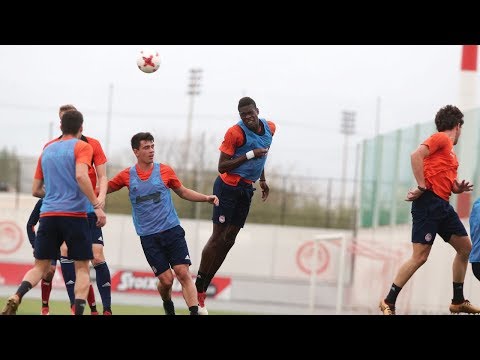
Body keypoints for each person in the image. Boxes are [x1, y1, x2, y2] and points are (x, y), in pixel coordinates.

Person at [1, 110, 107, 315]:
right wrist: (96, 205)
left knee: (40, 267)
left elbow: (35, 190)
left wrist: (54, 195)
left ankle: (17, 295)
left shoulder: (47, 150)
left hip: (48, 215)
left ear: (60, 127)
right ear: (81, 128)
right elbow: (81, 176)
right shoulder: (82, 146)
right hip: (74, 216)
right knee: (82, 268)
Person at [379, 104, 480, 315]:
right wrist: (422, 186)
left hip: (443, 205)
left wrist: (457, 188)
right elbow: (415, 155)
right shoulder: (441, 138)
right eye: (461, 127)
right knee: (420, 256)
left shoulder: (451, 155)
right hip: (428, 203)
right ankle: (388, 301)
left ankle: (458, 300)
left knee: (465, 249)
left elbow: (447, 182)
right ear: (458, 125)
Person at [107, 132, 219, 315]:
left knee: (183, 272)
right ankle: (167, 304)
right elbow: (105, 189)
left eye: (152, 146)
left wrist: (206, 198)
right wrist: (83, 191)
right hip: (149, 236)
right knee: (167, 280)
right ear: (136, 151)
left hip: (172, 230)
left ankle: (193, 312)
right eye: (146, 147)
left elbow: (182, 191)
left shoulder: (165, 171)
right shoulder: (126, 176)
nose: (151, 151)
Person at [194, 96, 275, 315]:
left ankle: (204, 284)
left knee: (230, 239)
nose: (248, 117)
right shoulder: (235, 133)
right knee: (218, 236)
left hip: (247, 189)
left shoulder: (270, 128)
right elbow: (222, 166)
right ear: (240, 116)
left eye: (251, 113)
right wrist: (249, 155)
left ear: (257, 110)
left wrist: (263, 179)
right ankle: (199, 285)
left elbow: (263, 156)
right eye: (243, 115)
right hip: (227, 187)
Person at [37, 104, 113, 315]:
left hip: (89, 207)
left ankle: (106, 309)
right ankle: (76, 307)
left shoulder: (92, 145)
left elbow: (103, 176)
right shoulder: (51, 147)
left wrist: (100, 199)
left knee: (97, 256)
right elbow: (43, 181)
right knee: (65, 254)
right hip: (65, 209)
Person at [26, 198, 99, 315]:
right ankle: (45, 307)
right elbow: (30, 225)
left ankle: (92, 310)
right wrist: (35, 245)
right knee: (49, 271)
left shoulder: (72, 200)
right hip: (51, 244)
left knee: (81, 275)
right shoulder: (43, 202)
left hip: (69, 245)